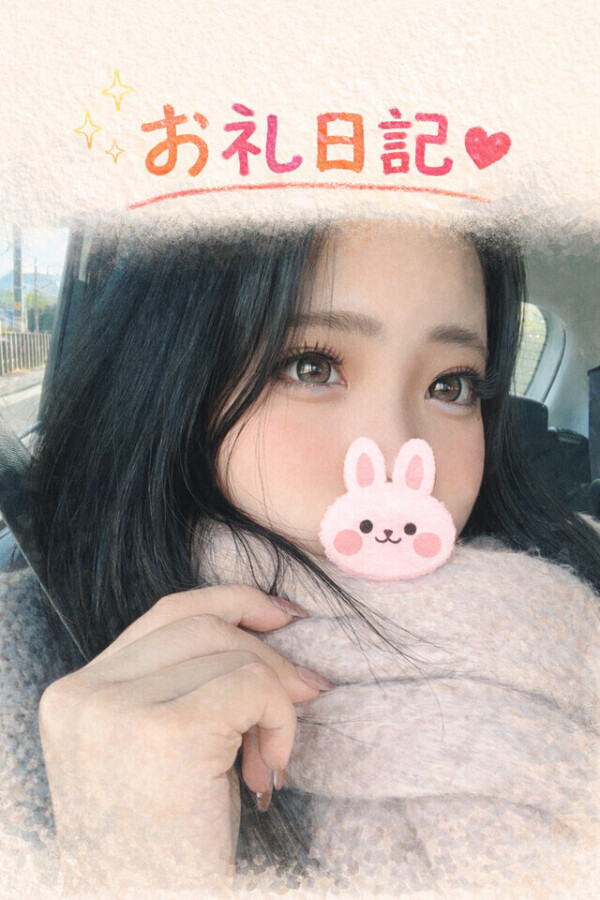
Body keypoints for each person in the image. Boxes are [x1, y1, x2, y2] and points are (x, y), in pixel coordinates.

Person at [2, 220, 598, 895]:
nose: (396, 458)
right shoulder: (21, 669)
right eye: (310, 367)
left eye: (451, 385)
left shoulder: (579, 576)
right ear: (171, 379)